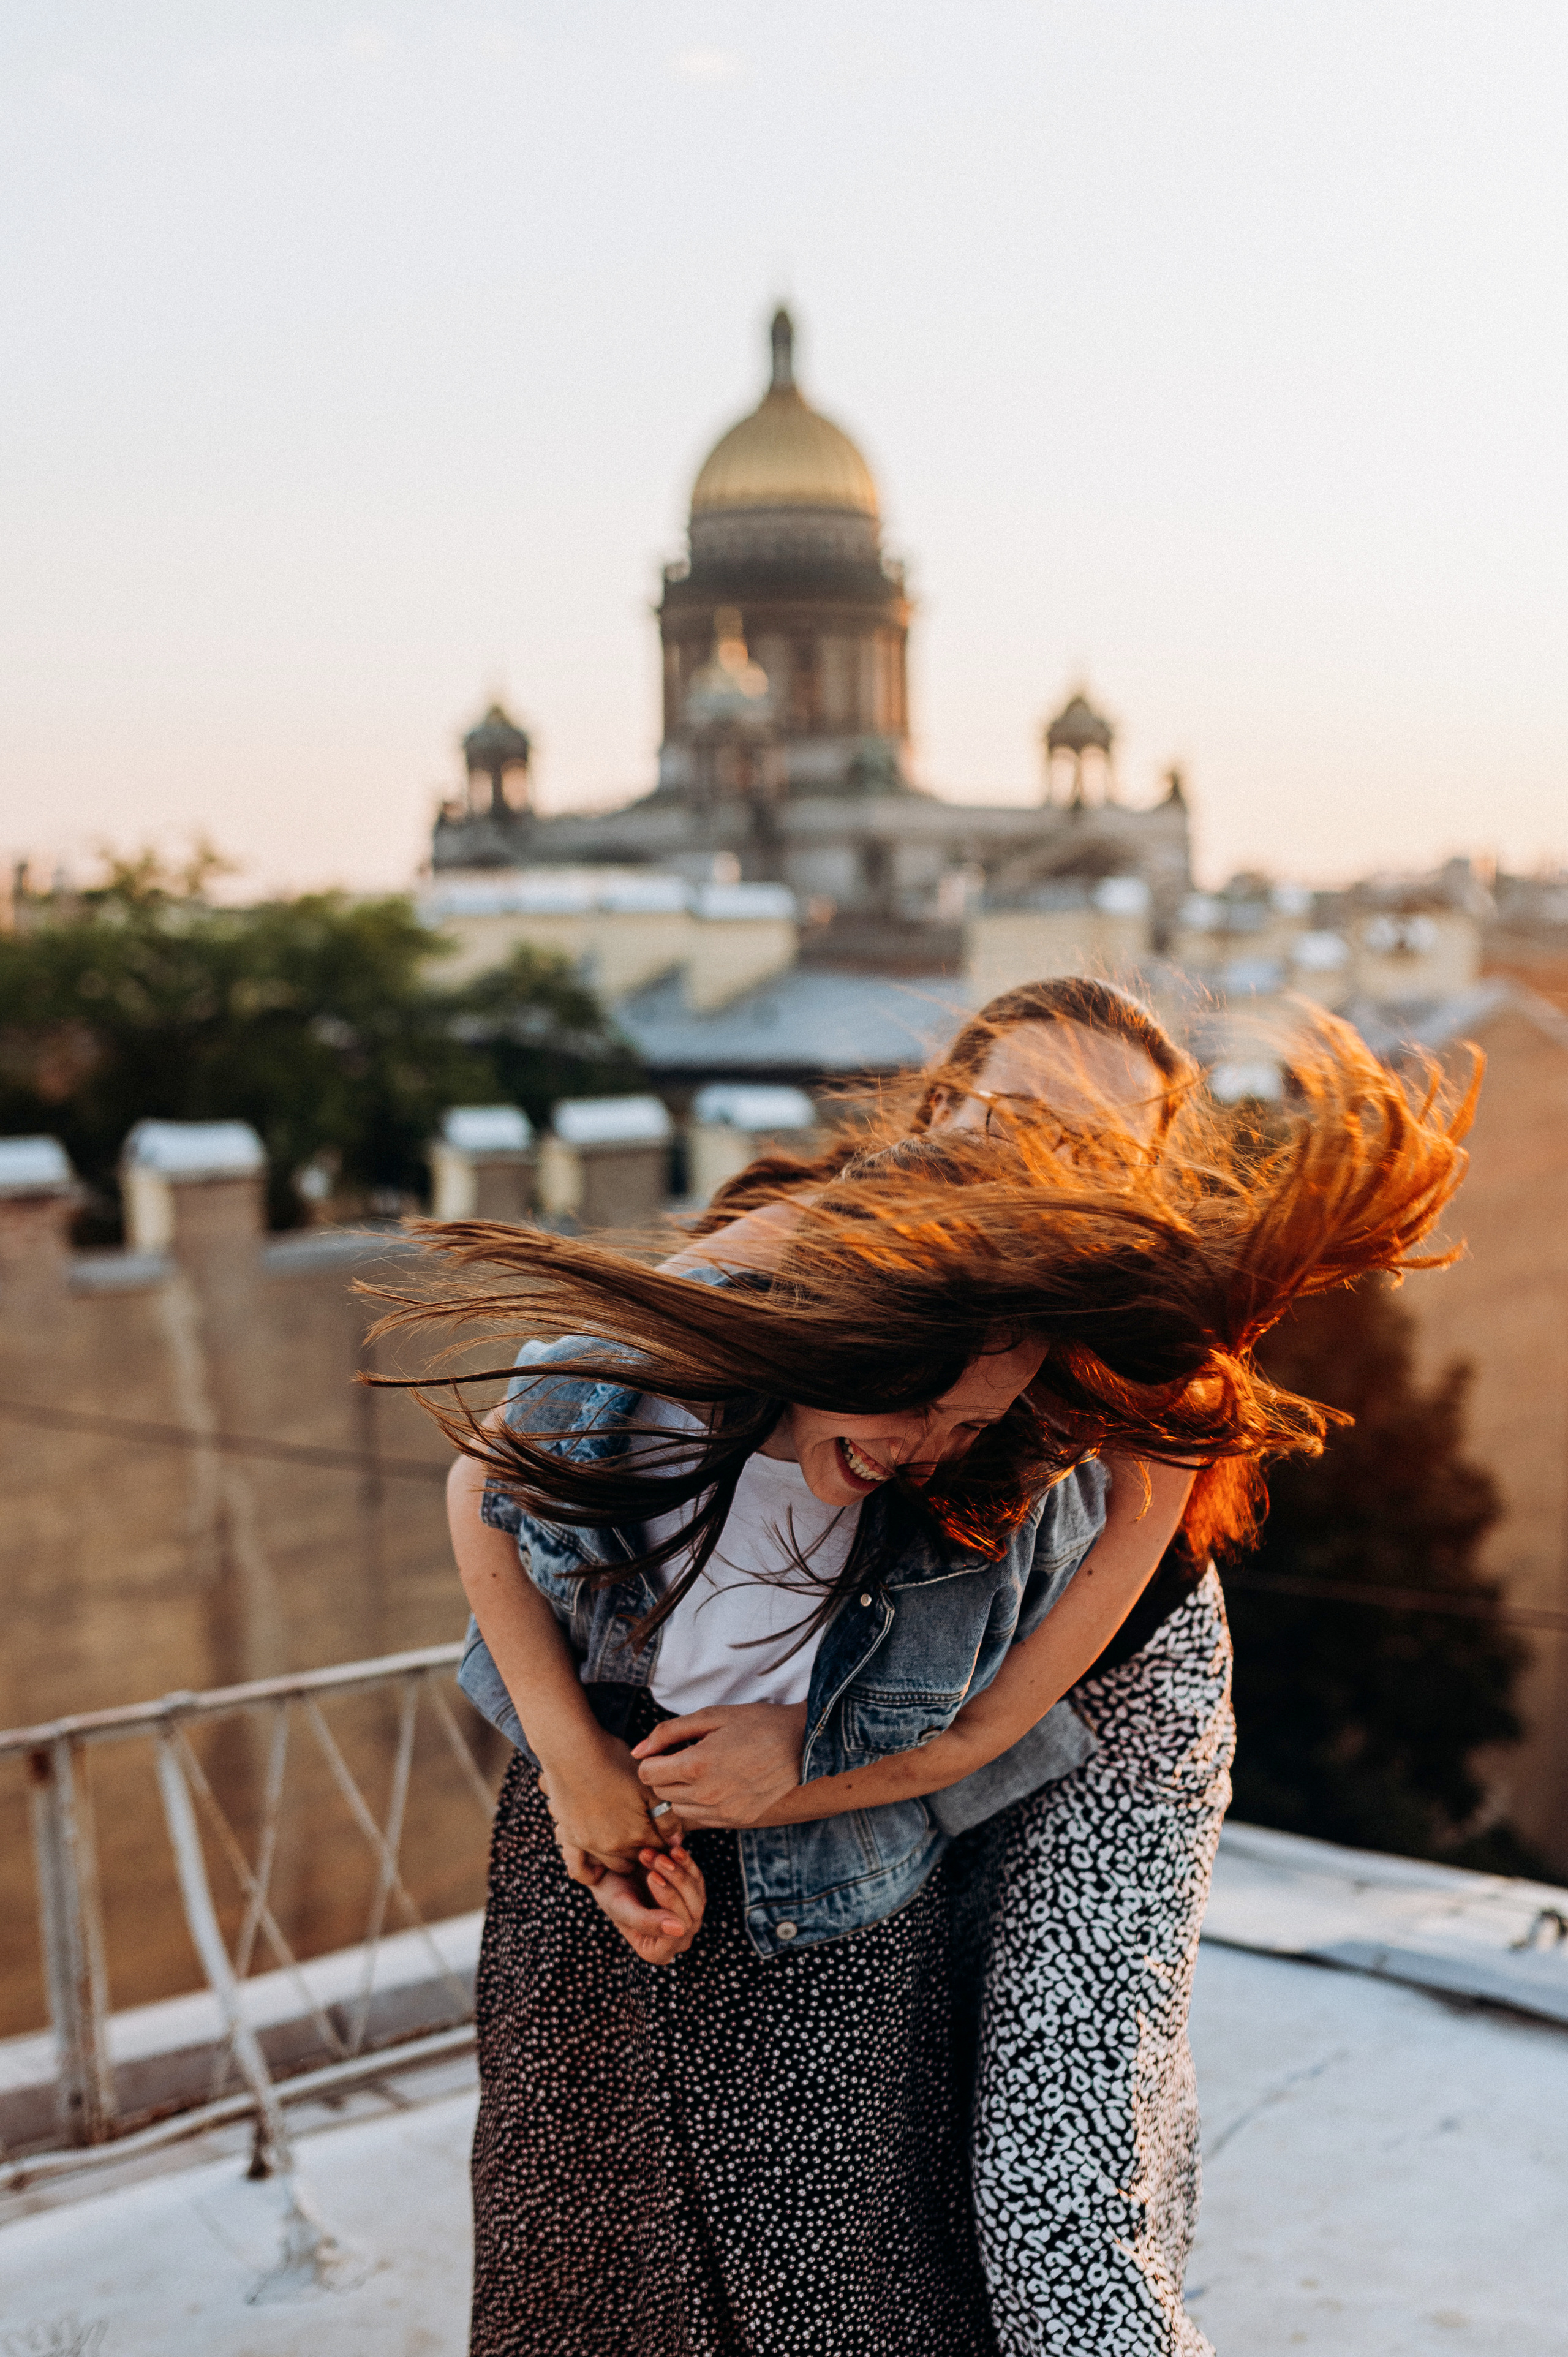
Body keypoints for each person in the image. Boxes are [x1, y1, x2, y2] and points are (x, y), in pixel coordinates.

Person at [386, 1019, 1469, 2357]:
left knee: (1054, 2183)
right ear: (941, 1110)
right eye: (1002, 1111)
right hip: (894, 1697)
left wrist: (799, 1771)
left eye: (1084, 1136)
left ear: (1141, 1163)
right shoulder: (845, 1257)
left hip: (1103, 1681)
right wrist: (583, 1766)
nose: (1032, 1149)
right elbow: (525, 1450)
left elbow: (992, 1726)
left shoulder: (1135, 1344)